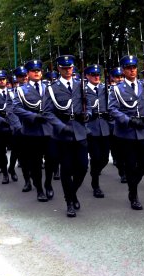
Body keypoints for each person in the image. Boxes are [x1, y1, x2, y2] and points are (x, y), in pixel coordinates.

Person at [44, 55, 89, 217]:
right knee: (67, 168)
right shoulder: (52, 88)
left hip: (80, 130)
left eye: (69, 67)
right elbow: (47, 112)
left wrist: (87, 114)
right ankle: (69, 202)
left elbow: (87, 104)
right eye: (64, 68)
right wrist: (60, 126)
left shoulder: (81, 85)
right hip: (62, 133)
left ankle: (72, 193)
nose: (67, 70)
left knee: (83, 167)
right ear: (59, 69)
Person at [108, 54, 144, 210]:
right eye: (128, 68)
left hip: (143, 130)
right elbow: (112, 109)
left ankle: (133, 185)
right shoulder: (117, 89)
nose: (132, 70)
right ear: (124, 70)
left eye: (134, 67)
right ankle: (133, 194)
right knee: (131, 166)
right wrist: (129, 120)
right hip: (126, 133)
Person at [12, 59, 54, 201]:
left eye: (38, 71)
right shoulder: (21, 90)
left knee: (51, 160)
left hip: (49, 130)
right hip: (32, 131)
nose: (37, 73)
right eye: (33, 71)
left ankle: (48, 183)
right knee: (35, 163)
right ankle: (39, 189)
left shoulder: (50, 87)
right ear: (28, 73)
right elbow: (16, 108)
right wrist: (33, 117)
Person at [83, 64, 111, 199]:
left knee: (105, 158)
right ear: (87, 76)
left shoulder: (105, 88)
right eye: (93, 75)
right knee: (96, 157)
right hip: (91, 127)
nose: (96, 77)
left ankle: (95, 171)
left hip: (104, 127)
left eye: (98, 75)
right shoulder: (83, 90)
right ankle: (96, 184)